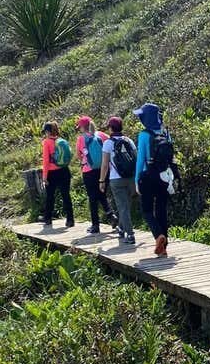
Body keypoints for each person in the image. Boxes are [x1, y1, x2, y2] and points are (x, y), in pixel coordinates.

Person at [134, 102, 175, 256]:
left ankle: (159, 236)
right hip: (164, 175)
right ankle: (164, 247)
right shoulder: (165, 133)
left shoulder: (144, 135)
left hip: (148, 175)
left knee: (146, 210)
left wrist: (137, 180)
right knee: (161, 210)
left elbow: (141, 159)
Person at [75, 115, 118, 234]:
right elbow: (112, 146)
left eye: (80, 128)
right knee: (102, 194)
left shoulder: (81, 139)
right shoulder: (102, 135)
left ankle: (95, 225)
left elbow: (78, 156)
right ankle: (111, 216)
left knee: (93, 198)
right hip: (104, 170)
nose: (79, 130)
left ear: (83, 127)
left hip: (88, 171)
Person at [100, 116, 138, 244]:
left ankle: (130, 235)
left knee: (123, 207)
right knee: (126, 206)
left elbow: (105, 165)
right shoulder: (129, 140)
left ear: (111, 128)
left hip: (116, 179)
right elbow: (136, 159)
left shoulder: (108, 143)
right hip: (130, 178)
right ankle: (121, 229)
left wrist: (101, 181)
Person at [41, 121, 74, 228]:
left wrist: (45, 176)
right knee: (66, 195)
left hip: (52, 173)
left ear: (47, 132)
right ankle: (70, 219)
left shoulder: (46, 142)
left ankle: (48, 219)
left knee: (50, 196)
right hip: (64, 170)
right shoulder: (62, 141)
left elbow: (46, 161)